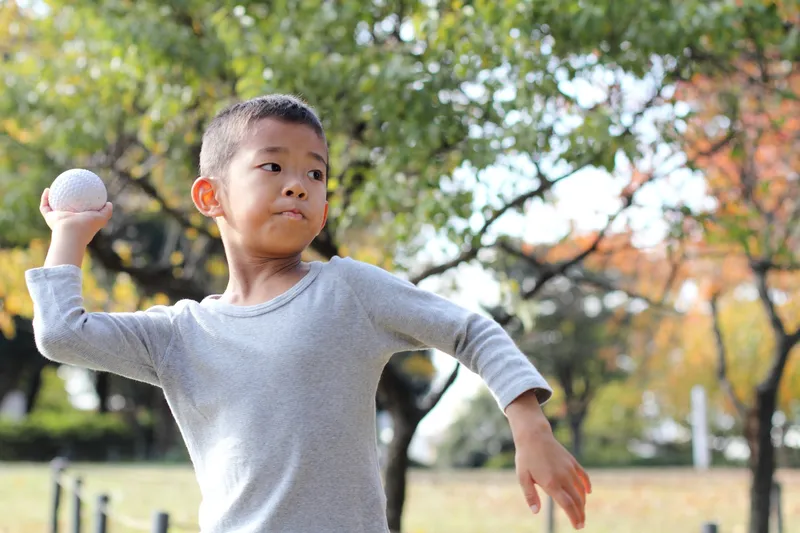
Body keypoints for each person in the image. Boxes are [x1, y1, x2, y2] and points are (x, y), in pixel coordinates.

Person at [25, 94, 591, 533]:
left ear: (322, 214)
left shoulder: (350, 291)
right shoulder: (180, 334)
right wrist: (71, 237)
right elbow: (62, 335)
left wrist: (529, 422)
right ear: (210, 197)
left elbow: (469, 330)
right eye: (272, 167)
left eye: (315, 174)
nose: (298, 185)